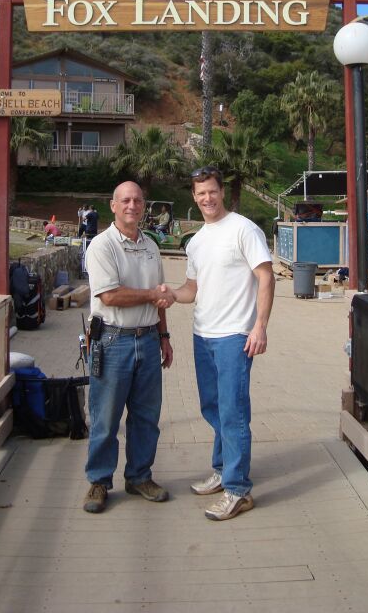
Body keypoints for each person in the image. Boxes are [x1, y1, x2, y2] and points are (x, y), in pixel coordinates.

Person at [159, 166, 275, 521]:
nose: (207, 198)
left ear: (221, 192)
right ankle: (223, 469)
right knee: (212, 407)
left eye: (212, 191)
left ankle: (238, 489)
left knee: (233, 411)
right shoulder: (196, 241)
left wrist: (260, 326)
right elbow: (192, 289)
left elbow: (266, 276)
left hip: (234, 336)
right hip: (202, 334)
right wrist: (170, 295)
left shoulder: (243, 229)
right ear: (193, 197)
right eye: (200, 193)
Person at [82, 181, 175, 514]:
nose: (132, 205)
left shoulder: (150, 245)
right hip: (112, 340)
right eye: (125, 200)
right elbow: (109, 296)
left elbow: (160, 294)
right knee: (105, 417)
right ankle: (98, 481)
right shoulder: (101, 246)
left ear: (143, 205)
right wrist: (152, 296)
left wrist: (164, 337)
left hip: (148, 339)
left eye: (137, 200)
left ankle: (139, 476)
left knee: (146, 417)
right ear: (113, 205)